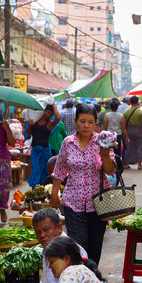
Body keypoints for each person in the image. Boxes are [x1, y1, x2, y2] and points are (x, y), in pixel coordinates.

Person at [50, 104, 115, 264]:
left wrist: (105, 155)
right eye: (82, 121)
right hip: (73, 202)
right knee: (78, 245)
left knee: (95, 244)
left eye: (90, 122)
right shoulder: (68, 142)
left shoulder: (103, 141)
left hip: (99, 203)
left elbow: (110, 171)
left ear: (95, 124)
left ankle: (92, 277)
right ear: (75, 121)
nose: (86, 125)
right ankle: (80, 277)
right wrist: (54, 193)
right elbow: (59, 169)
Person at [18, 209, 89, 283]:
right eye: (38, 232)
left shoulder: (72, 252)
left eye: (46, 230)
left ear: (59, 227)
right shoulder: (49, 250)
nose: (42, 235)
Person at [27, 104, 60, 188]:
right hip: (35, 151)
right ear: (44, 111)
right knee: (35, 170)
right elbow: (29, 133)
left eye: (50, 114)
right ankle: (35, 189)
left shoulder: (50, 124)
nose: (48, 115)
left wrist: (55, 107)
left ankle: (45, 188)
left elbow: (58, 118)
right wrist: (30, 125)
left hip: (45, 151)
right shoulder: (35, 121)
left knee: (46, 171)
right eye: (47, 112)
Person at [122, 95, 142, 170]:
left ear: (130, 102)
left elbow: (123, 124)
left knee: (128, 146)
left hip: (129, 130)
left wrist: (125, 133)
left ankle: (126, 164)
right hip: (138, 130)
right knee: (138, 147)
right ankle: (139, 164)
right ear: (137, 102)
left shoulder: (126, 112)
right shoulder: (140, 112)